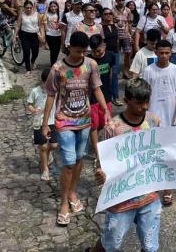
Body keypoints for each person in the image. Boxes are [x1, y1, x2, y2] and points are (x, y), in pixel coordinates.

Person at [87, 79, 176, 252]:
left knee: (150, 246)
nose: (145, 106)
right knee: (111, 243)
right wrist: (101, 173)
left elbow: (162, 151)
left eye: (147, 101)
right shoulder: (113, 127)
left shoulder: (154, 121)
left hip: (150, 197)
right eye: (140, 103)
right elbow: (105, 162)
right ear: (126, 101)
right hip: (121, 202)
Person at [41, 31, 110, 226]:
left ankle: (73, 191)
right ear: (69, 47)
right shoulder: (57, 68)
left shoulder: (91, 65)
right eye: (78, 51)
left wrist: (105, 110)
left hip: (84, 121)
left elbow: (97, 89)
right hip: (64, 121)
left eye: (84, 51)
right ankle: (63, 203)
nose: (81, 55)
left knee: (79, 159)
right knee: (68, 163)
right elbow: (51, 95)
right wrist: (46, 123)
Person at [143, 39, 176, 206]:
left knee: (171, 153)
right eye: (161, 53)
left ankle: (168, 189)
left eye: (167, 53)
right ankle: (152, 185)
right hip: (152, 118)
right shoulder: (148, 70)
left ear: (171, 53)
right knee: (152, 152)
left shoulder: (175, 70)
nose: (164, 56)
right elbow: (144, 95)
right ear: (156, 52)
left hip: (171, 117)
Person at [87, 35, 115, 161]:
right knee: (93, 125)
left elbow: (111, 73)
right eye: (94, 51)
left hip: (107, 95)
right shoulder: (88, 60)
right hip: (92, 97)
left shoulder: (110, 56)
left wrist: (112, 92)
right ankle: (98, 152)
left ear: (103, 45)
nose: (97, 54)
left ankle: (105, 146)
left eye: (98, 50)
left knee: (106, 123)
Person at [27, 68, 57, 181]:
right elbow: (29, 104)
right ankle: (45, 169)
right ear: (43, 81)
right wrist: (33, 110)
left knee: (54, 145)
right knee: (43, 147)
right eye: (47, 83)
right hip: (39, 122)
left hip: (53, 121)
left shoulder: (56, 91)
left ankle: (48, 155)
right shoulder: (35, 91)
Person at [101, 8, 122, 105]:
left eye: (110, 13)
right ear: (102, 15)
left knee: (114, 75)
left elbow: (117, 39)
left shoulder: (115, 26)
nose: (108, 15)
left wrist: (118, 50)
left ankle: (115, 97)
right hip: (106, 53)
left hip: (115, 52)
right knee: (105, 76)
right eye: (106, 14)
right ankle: (105, 97)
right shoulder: (100, 27)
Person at [15, 0, 42, 76]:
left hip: (35, 35)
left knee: (35, 52)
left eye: (30, 8)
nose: (29, 9)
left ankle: (33, 61)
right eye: (27, 8)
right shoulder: (22, 15)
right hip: (25, 35)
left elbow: (40, 26)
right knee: (26, 52)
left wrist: (42, 36)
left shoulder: (37, 14)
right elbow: (18, 26)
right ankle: (28, 69)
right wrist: (15, 36)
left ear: (33, 7)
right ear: (24, 8)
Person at [41, 1, 62, 66]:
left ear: (57, 7)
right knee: (53, 50)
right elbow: (43, 19)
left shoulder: (60, 14)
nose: (53, 8)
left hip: (58, 35)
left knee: (57, 50)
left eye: (54, 6)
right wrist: (47, 9)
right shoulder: (47, 14)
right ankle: (53, 64)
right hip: (49, 35)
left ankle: (54, 62)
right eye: (51, 7)